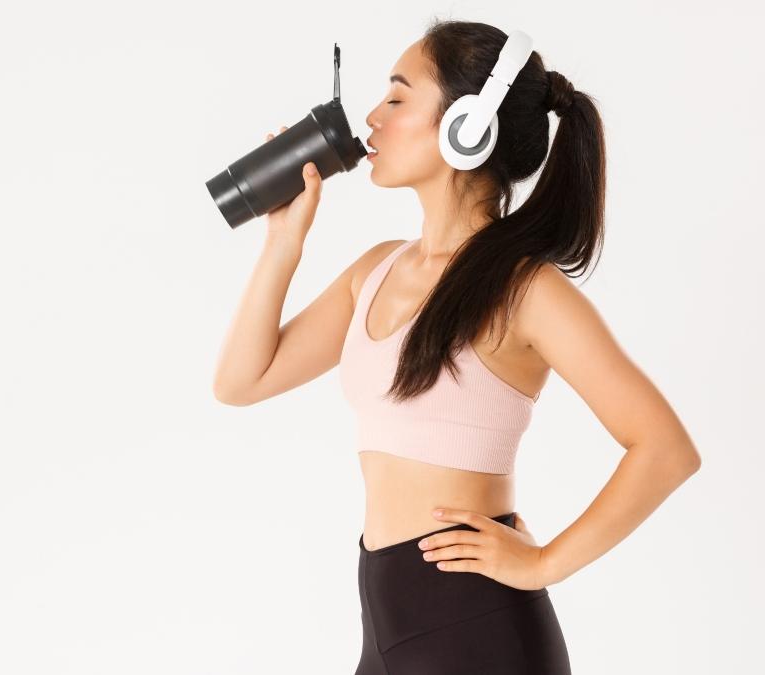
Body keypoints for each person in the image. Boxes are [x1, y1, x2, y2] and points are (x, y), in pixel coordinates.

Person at [213, 18, 701, 674]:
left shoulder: (524, 290)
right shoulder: (376, 270)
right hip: (383, 624)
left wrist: (545, 562)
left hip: (474, 628)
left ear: (466, 125)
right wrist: (283, 242)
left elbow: (666, 449)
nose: (371, 117)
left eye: (397, 96)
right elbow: (242, 381)